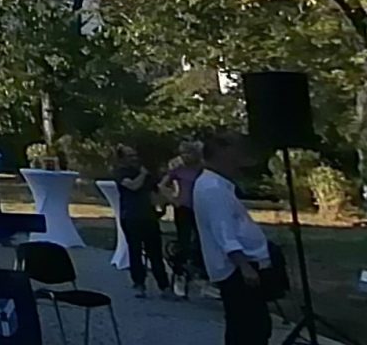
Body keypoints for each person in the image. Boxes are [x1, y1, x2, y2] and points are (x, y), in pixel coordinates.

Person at [195, 129, 276, 345]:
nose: (239, 160)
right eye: (236, 152)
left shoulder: (220, 185)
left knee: (254, 326)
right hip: (237, 271)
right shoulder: (212, 187)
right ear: (222, 153)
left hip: (242, 267)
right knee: (248, 328)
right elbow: (224, 232)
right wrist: (244, 266)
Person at [113, 143, 173, 298]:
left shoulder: (145, 173)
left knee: (155, 253)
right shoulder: (121, 172)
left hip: (148, 216)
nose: (134, 158)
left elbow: (156, 189)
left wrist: (164, 203)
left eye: (135, 155)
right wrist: (142, 175)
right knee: (135, 251)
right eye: (130, 156)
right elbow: (132, 186)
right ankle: (139, 283)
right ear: (122, 159)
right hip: (131, 216)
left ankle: (164, 286)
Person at [162, 140, 207, 299]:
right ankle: (180, 274)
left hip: (200, 207)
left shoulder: (202, 169)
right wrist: (173, 199)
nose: (185, 157)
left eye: (188, 153)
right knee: (184, 241)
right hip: (183, 208)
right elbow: (162, 185)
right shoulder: (178, 169)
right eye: (183, 154)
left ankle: (202, 275)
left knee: (203, 240)